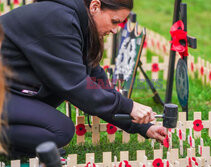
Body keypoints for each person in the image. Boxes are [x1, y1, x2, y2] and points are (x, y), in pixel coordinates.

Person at [0, 0, 167, 158]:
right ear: (95, 6)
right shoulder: (60, 20)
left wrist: (144, 127)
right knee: (59, 131)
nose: (116, 30)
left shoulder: (79, 23)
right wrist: (129, 106)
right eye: (114, 21)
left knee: (56, 131)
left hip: (10, 90)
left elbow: (97, 85)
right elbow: (77, 87)